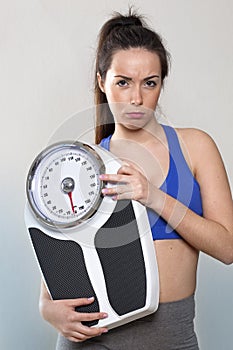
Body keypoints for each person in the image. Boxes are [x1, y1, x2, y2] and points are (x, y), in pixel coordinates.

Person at [39, 9, 233, 350]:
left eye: (150, 83)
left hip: (171, 336)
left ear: (162, 83)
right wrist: (47, 309)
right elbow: (56, 263)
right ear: (102, 81)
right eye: (122, 82)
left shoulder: (195, 147)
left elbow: (228, 248)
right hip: (93, 337)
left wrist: (153, 196)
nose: (136, 99)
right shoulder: (82, 162)